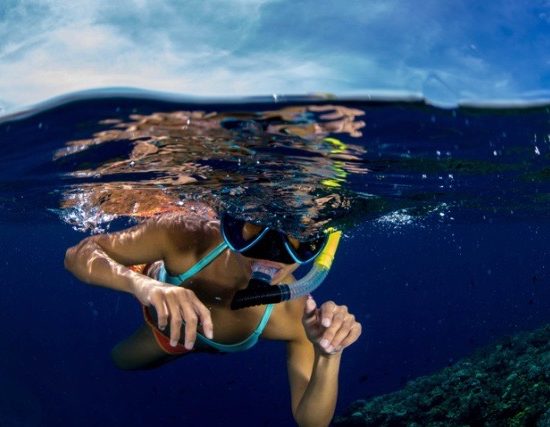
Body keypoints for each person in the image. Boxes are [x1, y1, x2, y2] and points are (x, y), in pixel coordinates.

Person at [64, 205, 362, 427]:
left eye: (297, 239)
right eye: (255, 231)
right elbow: (78, 255)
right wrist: (143, 286)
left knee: (123, 360)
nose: (271, 253)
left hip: (185, 340)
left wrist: (329, 355)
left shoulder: (295, 313)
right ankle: (148, 267)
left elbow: (311, 422)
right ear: (234, 224)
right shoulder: (185, 235)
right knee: (120, 360)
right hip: (166, 331)